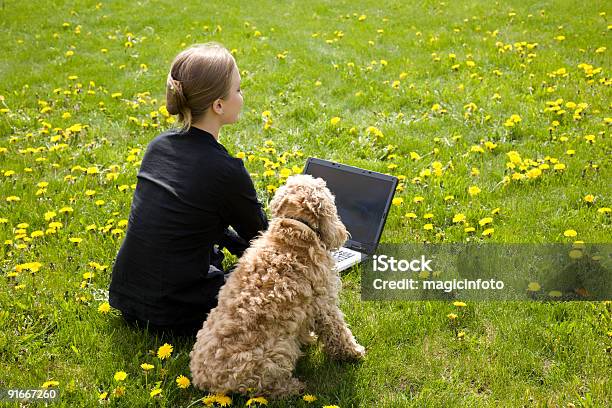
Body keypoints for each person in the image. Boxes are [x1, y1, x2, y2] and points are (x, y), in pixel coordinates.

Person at [109, 43, 268, 338]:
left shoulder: (158, 146)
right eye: (238, 89)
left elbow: (191, 216)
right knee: (273, 276)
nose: (242, 96)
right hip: (174, 312)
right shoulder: (226, 171)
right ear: (218, 106)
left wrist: (234, 246)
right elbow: (263, 239)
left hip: (126, 297)